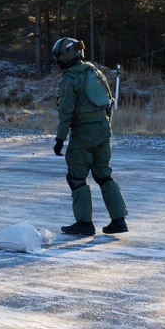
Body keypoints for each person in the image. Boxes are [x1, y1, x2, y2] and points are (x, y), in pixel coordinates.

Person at [52, 37, 129, 235]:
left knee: (76, 177)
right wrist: (105, 129)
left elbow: (65, 112)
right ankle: (119, 221)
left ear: (66, 55)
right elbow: (109, 103)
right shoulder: (95, 72)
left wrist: (60, 139)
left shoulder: (71, 78)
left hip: (84, 134)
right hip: (103, 130)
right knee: (104, 175)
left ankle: (84, 224)